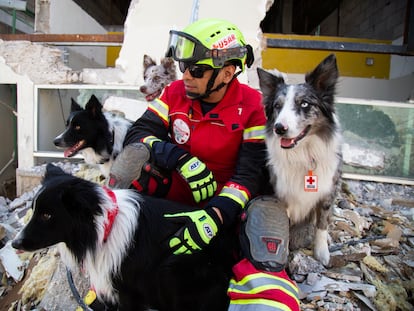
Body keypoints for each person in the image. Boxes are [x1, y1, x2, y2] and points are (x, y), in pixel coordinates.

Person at [88, 18, 299, 310]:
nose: (186, 75)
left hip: (229, 204)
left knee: (269, 220)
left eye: (197, 70)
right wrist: (180, 158)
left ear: (227, 73)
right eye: (185, 66)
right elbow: (139, 134)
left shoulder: (253, 105)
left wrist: (215, 216)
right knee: (130, 160)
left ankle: (259, 296)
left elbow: (250, 174)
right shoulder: (175, 93)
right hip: (176, 197)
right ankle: (106, 269)